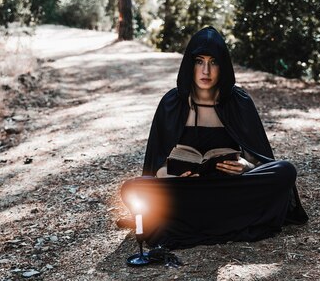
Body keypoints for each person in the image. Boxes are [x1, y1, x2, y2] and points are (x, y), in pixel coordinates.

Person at [120, 26, 308, 249]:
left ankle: (195, 219)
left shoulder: (239, 102)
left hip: (228, 189)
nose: (206, 71)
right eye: (199, 61)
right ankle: (226, 219)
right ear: (190, 65)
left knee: (285, 171)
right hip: (186, 191)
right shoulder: (172, 103)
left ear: (223, 66)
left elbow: (260, 160)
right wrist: (173, 177)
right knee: (132, 188)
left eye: (213, 62)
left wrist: (245, 166)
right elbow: (156, 165)